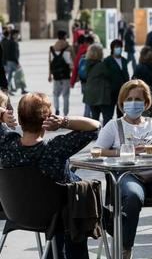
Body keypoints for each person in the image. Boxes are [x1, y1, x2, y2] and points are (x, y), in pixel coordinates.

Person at [0, 93, 99, 259]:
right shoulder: (55, 148)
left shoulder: (6, 144)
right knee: (75, 199)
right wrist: (63, 121)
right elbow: (95, 126)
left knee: (65, 200)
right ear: (47, 120)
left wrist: (3, 114)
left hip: (17, 213)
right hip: (57, 217)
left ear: (20, 119)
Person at [95, 80, 152, 259]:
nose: (133, 102)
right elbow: (97, 151)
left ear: (146, 102)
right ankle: (125, 248)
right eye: (129, 99)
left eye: (138, 99)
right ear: (122, 102)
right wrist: (123, 151)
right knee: (133, 196)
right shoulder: (114, 125)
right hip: (128, 175)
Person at [83, 44, 115, 125]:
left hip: (90, 95)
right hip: (102, 96)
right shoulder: (102, 65)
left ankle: (95, 135)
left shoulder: (86, 63)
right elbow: (110, 75)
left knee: (94, 118)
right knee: (107, 118)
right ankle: (105, 136)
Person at [49, 30, 73, 116]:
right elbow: (72, 62)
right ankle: (65, 113)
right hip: (66, 74)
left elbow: (50, 62)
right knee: (66, 95)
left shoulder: (52, 48)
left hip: (56, 75)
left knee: (56, 94)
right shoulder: (69, 47)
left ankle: (57, 109)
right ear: (65, 36)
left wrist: (49, 75)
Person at [104, 39, 130, 118]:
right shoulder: (107, 61)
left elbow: (126, 74)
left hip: (122, 91)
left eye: (120, 47)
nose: (119, 48)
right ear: (112, 48)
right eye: (117, 47)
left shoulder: (124, 60)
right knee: (109, 114)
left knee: (121, 114)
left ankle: (120, 129)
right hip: (111, 91)